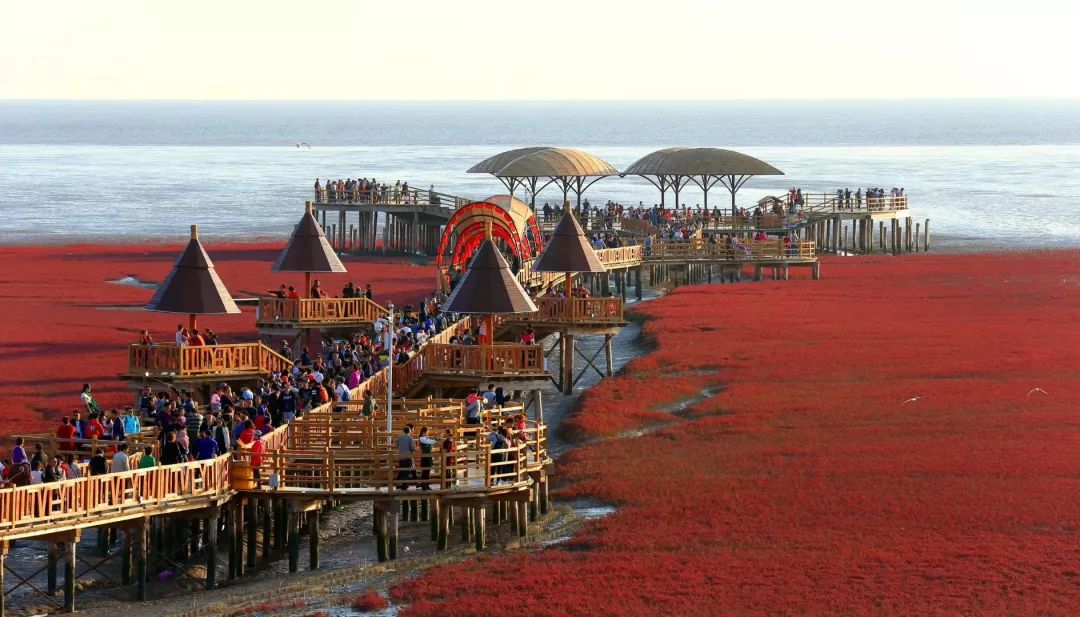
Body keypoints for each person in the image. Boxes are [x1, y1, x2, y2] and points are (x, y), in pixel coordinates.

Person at [395, 425, 416, 490]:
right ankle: (404, 485)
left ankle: (403, 484)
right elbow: (412, 448)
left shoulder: (399, 438)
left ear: (404, 431)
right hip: (407, 456)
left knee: (403, 470)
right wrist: (412, 452)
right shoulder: (410, 438)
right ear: (409, 431)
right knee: (406, 471)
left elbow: (397, 445)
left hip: (400, 456)